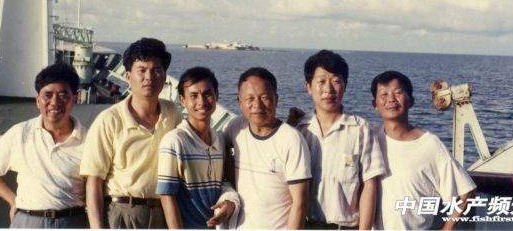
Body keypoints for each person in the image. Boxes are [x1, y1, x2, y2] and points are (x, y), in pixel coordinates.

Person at [80, 38, 182, 229]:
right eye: (141, 70)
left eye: (156, 70)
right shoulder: (109, 119)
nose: (149, 77)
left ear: (164, 76)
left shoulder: (173, 114)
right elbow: (94, 180)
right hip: (121, 213)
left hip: (163, 213)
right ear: (128, 76)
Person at [0, 63, 87, 228]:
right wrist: (13, 201)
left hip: (72, 222)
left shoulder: (88, 139)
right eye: (47, 95)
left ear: (75, 99)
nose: (55, 102)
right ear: (38, 101)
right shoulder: (20, 133)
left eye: (63, 95)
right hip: (28, 221)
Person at [371, 70, 476, 230]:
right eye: (383, 94)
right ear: (375, 105)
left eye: (398, 93)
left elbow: (466, 191)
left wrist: (446, 228)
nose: (391, 99)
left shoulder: (429, 144)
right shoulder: (370, 139)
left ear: (411, 101)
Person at [296, 50, 385, 230]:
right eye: (321, 81)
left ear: (345, 85)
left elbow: (370, 186)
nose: (328, 89)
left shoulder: (361, 129)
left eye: (336, 81)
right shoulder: (299, 130)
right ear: (308, 86)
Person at [223, 67, 311, 229]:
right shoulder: (236, 127)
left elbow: (300, 202)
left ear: (276, 100)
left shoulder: (292, 140)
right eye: (249, 98)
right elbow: (220, 149)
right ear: (239, 102)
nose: (257, 105)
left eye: (264, 98)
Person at [156, 67, 240, 229]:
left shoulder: (219, 140)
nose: (201, 101)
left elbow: (224, 182)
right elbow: (167, 195)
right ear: (182, 100)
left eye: (207, 94)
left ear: (216, 95)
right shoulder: (175, 141)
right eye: (193, 96)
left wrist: (229, 202)